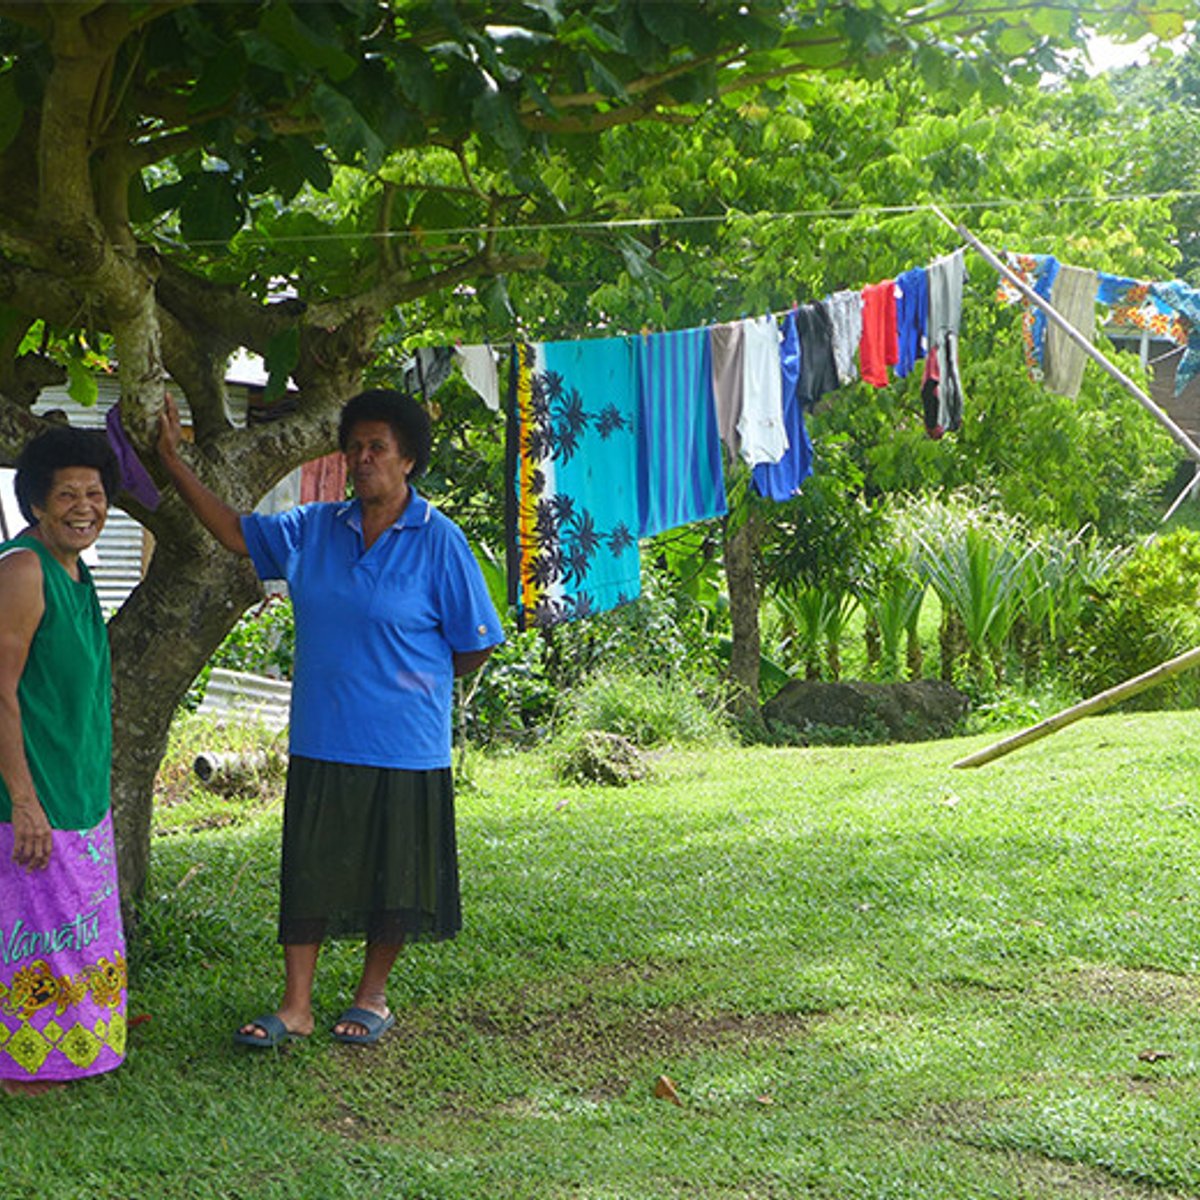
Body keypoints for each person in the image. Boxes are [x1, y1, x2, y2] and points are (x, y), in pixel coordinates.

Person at [158, 388, 503, 1048]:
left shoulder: (440, 540)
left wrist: (412, 683)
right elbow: (233, 532)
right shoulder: (313, 528)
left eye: (378, 447)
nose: (362, 458)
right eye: (354, 447)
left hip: (404, 743)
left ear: (408, 459)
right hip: (323, 735)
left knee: (394, 873)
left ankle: (372, 997)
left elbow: (474, 642)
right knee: (310, 870)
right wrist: (173, 460)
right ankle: (296, 1007)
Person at [0, 426, 126, 1094]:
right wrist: (24, 800)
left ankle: (68, 1053)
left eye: (96, 494)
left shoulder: (78, 571)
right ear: (37, 504)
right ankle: (22, 1068)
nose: (85, 507)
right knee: (33, 936)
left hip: (77, 796)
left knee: (74, 935)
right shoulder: (23, 570)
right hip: (30, 798)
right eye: (68, 495)